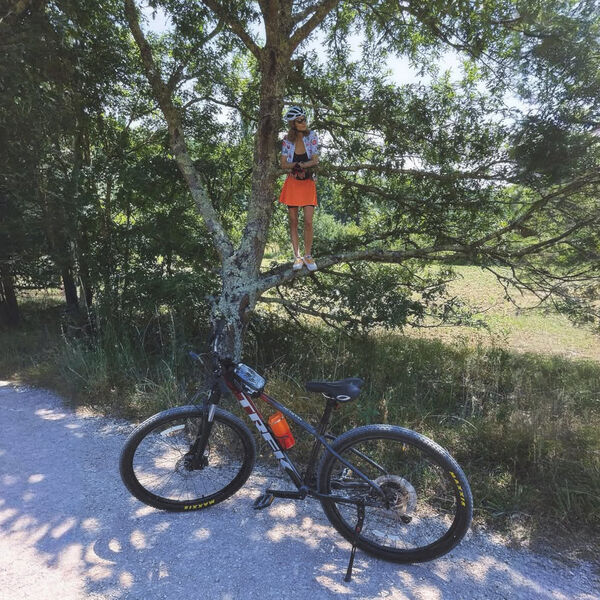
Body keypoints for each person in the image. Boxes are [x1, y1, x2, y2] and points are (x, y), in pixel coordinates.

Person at [279, 106, 319, 272]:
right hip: (293, 184)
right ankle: (297, 256)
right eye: (300, 120)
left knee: (308, 221)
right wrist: (298, 166)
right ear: (293, 124)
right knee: (293, 221)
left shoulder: (312, 136)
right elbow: (283, 164)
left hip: (308, 182)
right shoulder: (287, 140)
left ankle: (308, 255)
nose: (304, 122)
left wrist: (299, 166)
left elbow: (315, 160)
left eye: (304, 119)